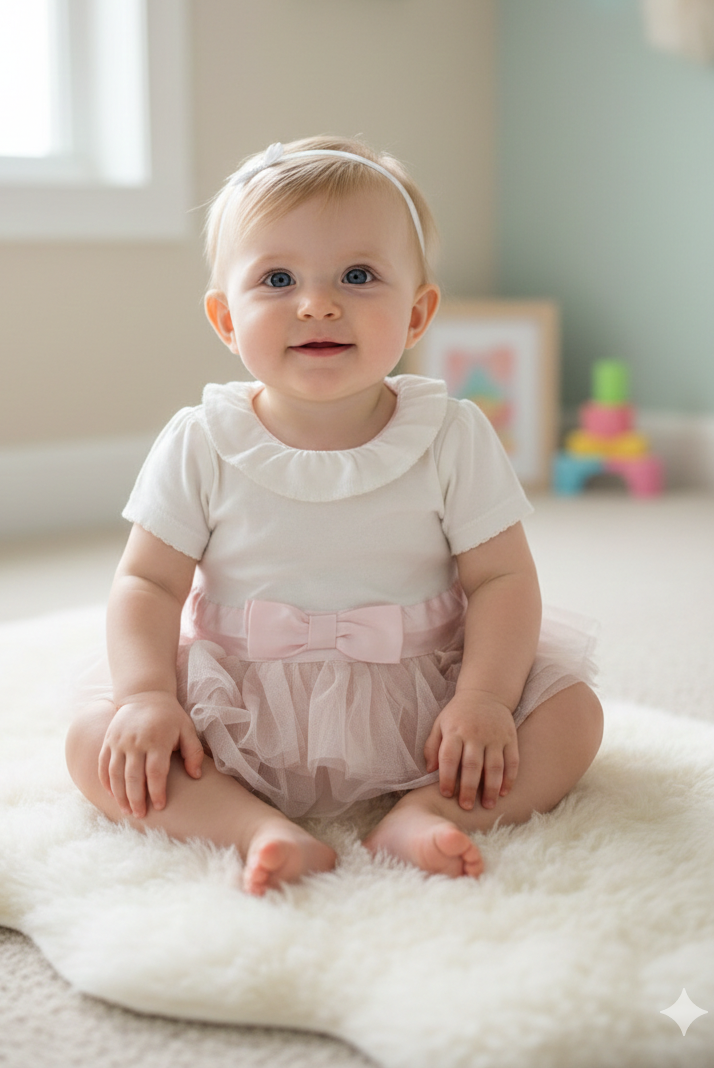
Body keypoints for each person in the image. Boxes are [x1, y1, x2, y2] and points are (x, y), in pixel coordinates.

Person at [65, 136, 603, 896]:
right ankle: (252, 826)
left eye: (358, 275)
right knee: (95, 740)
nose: (317, 303)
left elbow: (502, 579)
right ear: (226, 319)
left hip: (424, 697)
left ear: (417, 314)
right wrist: (149, 695)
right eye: (277, 279)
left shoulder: (451, 434)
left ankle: (425, 811)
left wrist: (482, 699)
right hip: (240, 704)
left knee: (572, 716)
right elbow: (148, 582)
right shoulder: (202, 440)